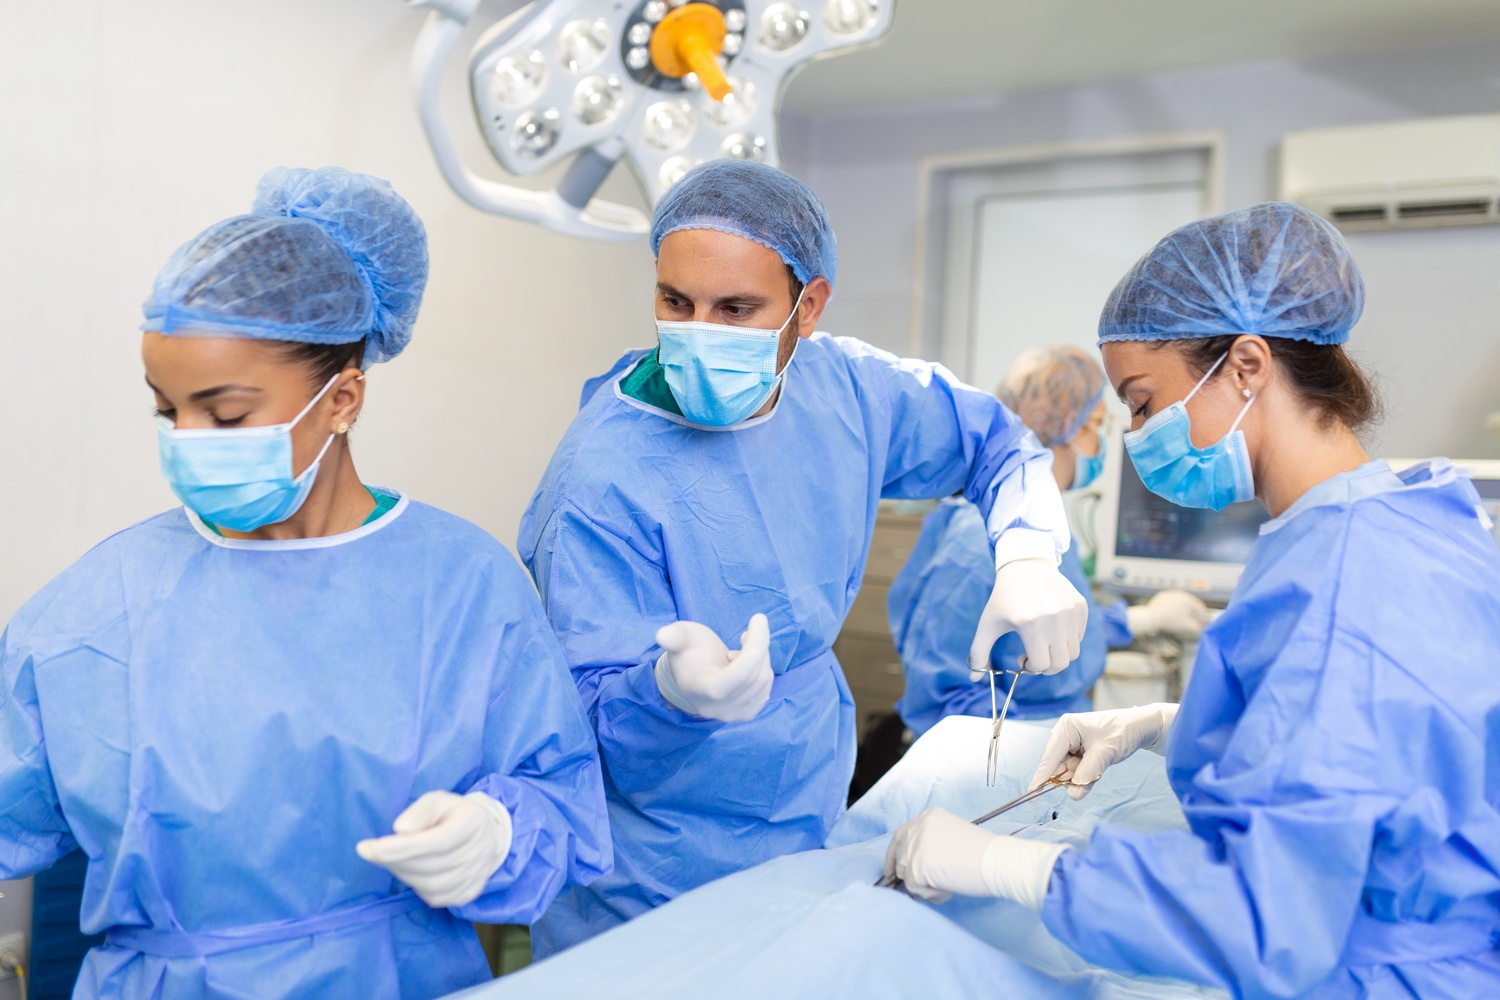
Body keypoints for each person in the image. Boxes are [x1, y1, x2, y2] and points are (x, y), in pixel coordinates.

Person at [0, 167, 610, 998]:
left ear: (342, 398)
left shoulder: (462, 586)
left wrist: (497, 833)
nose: (186, 440)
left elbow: (560, 798)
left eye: (223, 414)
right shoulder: (104, 599)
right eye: (165, 410)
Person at [883, 202, 1500, 997]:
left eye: (1141, 402)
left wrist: (1004, 862)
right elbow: (1378, 754)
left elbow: (1263, 917)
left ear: (1247, 365)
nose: (1136, 438)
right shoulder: (1404, 518)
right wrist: (1163, 726)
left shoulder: (1347, 578)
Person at [517, 159, 1089, 955]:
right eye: (675, 302)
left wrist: (1026, 552)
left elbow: (994, 440)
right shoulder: (599, 479)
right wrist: (667, 694)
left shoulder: (846, 392)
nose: (700, 331)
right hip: (651, 867)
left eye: (738, 307)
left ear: (807, 307)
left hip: (807, 805)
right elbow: (585, 725)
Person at [888, 346, 1206, 733]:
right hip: (1004, 755)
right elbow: (944, 697)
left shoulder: (1038, 531)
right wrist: (1023, 755)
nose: (1102, 446)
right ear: (1070, 424)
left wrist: (1144, 618)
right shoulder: (980, 542)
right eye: (1100, 426)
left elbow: (1047, 627)